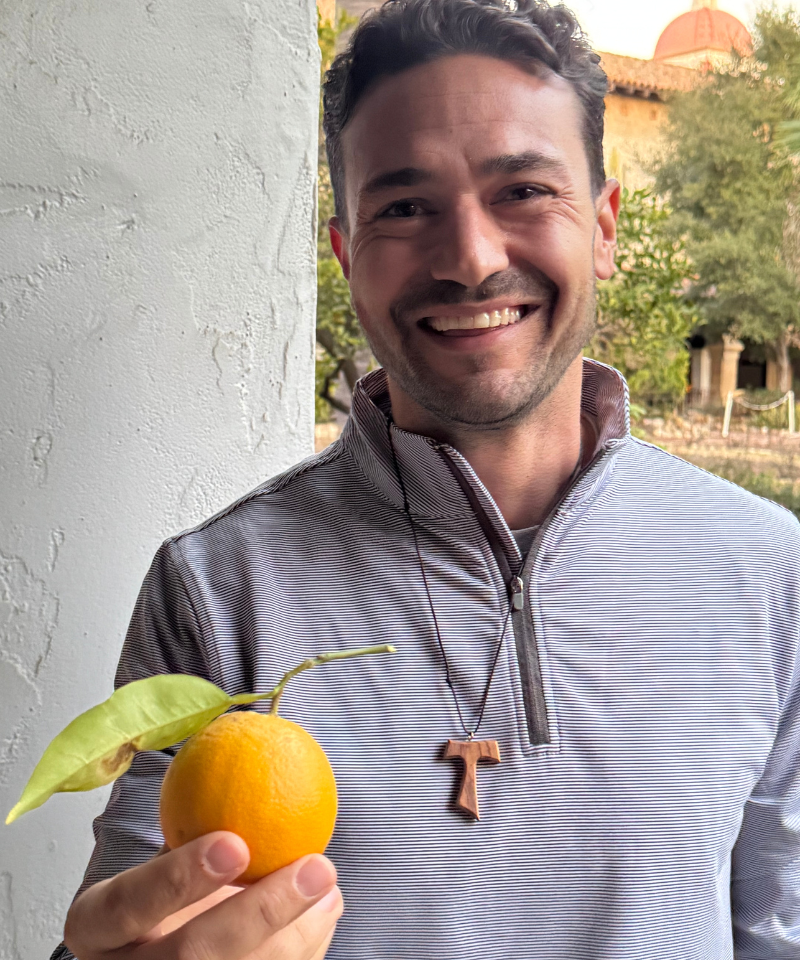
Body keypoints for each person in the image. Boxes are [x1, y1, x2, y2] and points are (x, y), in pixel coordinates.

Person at [55, 0, 800, 957]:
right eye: (404, 208)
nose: (472, 259)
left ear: (606, 228)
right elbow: (135, 923)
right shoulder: (218, 590)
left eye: (524, 190)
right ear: (346, 256)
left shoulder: (770, 570)